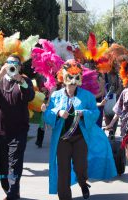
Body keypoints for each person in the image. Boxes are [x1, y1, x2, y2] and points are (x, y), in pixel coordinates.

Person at [43, 59, 117, 200]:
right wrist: (57, 113)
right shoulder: (56, 96)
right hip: (62, 140)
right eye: (69, 77)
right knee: (63, 171)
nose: (72, 81)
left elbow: (95, 112)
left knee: (80, 167)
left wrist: (84, 113)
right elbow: (47, 115)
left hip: (80, 139)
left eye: (76, 77)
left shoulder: (87, 96)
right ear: (63, 78)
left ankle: (83, 183)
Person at [0, 54, 35, 200]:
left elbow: (30, 96)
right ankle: (9, 190)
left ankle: (13, 194)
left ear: (20, 67)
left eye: (16, 63)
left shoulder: (24, 80)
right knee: (2, 166)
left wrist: (20, 81)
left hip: (18, 132)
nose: (12, 65)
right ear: (4, 65)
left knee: (15, 165)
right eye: (9, 63)